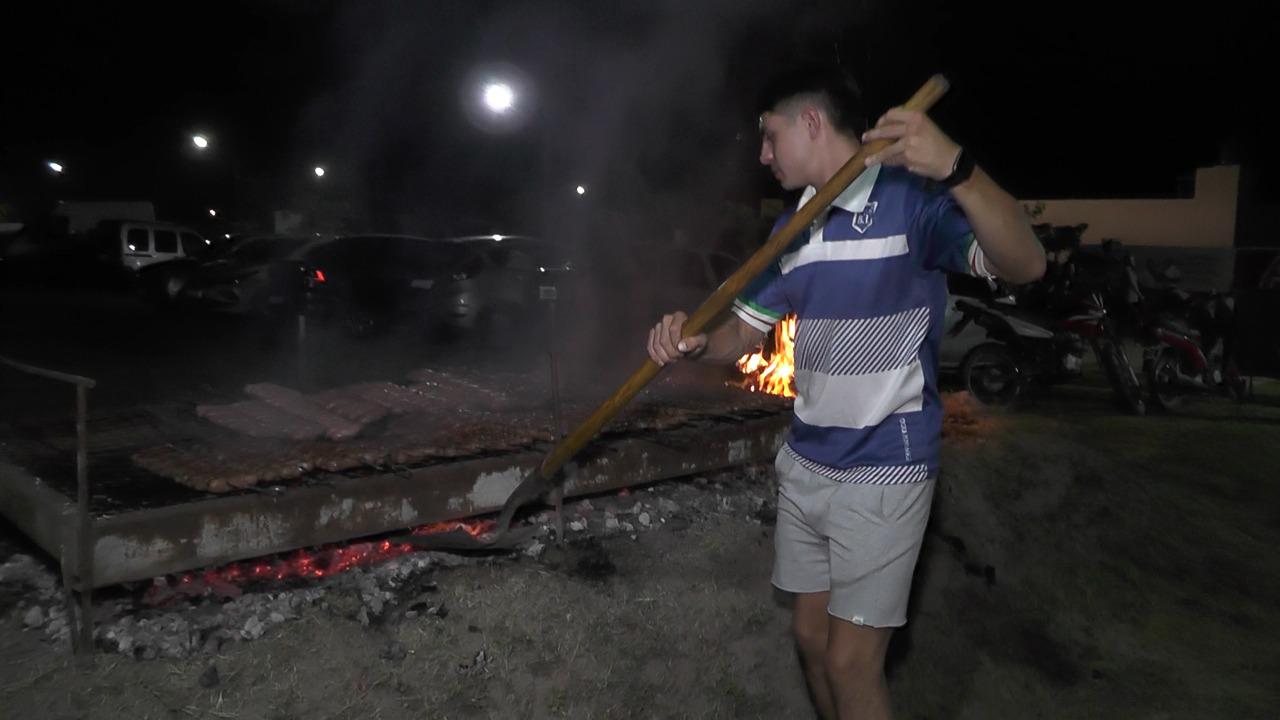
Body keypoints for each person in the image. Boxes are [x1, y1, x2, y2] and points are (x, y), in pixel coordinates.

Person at [646, 64, 1045, 720]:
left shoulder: (911, 201)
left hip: (885, 465)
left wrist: (958, 168)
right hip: (807, 461)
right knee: (808, 637)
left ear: (810, 122)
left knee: (850, 663)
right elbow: (740, 337)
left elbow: (1027, 264)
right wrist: (695, 343)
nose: (762, 154)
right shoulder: (790, 232)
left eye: (770, 136)